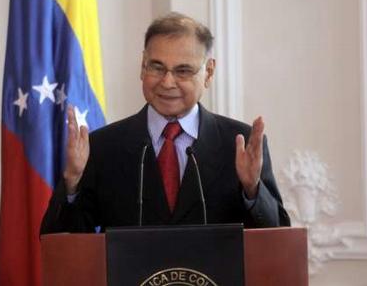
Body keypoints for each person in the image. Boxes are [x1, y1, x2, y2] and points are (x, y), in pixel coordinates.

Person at [41, 12, 290, 233]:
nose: (167, 82)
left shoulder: (240, 144)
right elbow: (63, 245)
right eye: (157, 68)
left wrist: (252, 190)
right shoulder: (102, 147)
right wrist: (72, 183)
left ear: (209, 73)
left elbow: (278, 241)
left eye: (183, 71)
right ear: (142, 66)